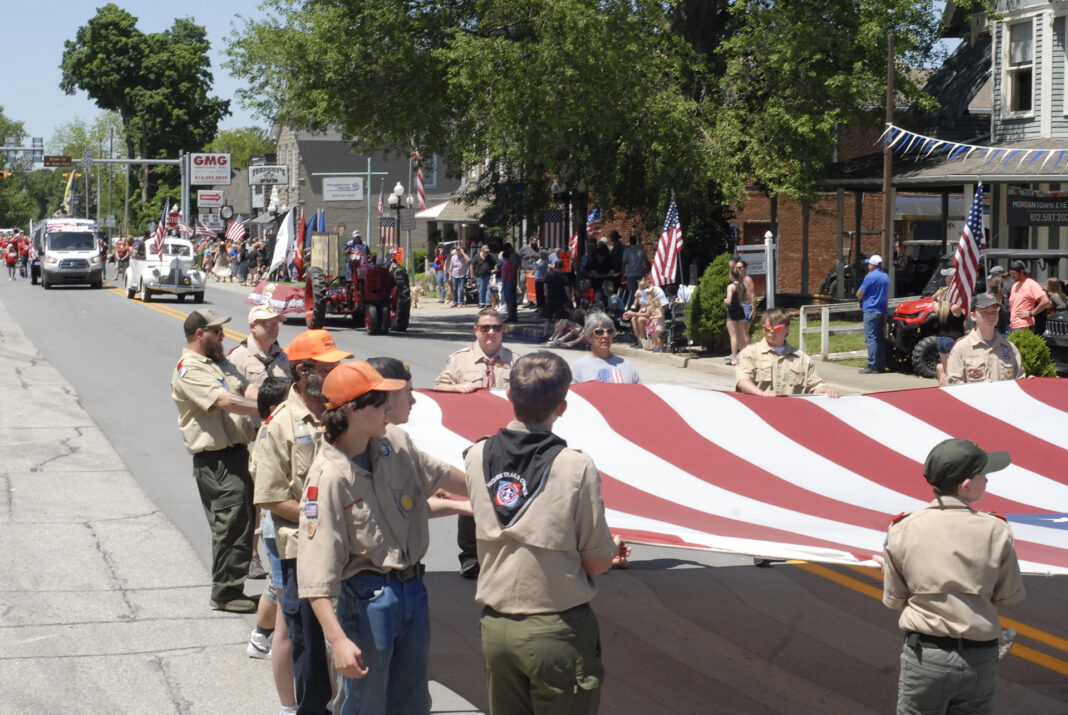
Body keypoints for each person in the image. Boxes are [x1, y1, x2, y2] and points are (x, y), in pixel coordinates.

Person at [297, 361, 470, 714]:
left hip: (412, 592)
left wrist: (492, 492)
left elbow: (439, 475)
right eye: (379, 403)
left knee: (412, 701)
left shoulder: (393, 442)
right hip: (365, 601)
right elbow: (315, 576)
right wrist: (338, 639)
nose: (388, 408)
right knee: (366, 705)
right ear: (352, 410)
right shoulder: (328, 478)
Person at [463, 352, 629, 715]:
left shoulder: (475, 455)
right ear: (562, 406)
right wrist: (610, 549)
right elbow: (598, 563)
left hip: (497, 627)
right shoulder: (575, 465)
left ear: (510, 397)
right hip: (556, 625)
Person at [881, 438, 1025, 714]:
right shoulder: (997, 530)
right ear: (966, 485)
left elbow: (894, 598)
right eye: (983, 474)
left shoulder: (903, 528)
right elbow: (1009, 595)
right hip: (979, 658)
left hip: (925, 656)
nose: (987, 481)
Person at [253, 329, 352, 715]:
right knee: (310, 648)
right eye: (328, 366)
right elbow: (272, 497)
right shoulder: (278, 424)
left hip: (348, 547)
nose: (336, 371)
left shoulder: (340, 411)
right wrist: (328, 516)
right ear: (304, 371)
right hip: (304, 550)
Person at [169, 309, 261, 612]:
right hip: (215, 460)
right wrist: (265, 406)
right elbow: (223, 401)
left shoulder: (219, 363)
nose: (223, 337)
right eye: (217, 332)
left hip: (236, 453)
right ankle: (225, 592)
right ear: (200, 334)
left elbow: (246, 388)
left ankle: (233, 585)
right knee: (231, 522)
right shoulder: (189, 369)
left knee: (243, 520)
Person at [435, 308, 514, 578]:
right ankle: (470, 555)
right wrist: (456, 389)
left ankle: (503, 552)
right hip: (470, 441)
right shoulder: (459, 360)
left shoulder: (516, 361)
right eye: (485, 328)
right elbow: (438, 390)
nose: (491, 332)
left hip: (505, 440)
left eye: (497, 328)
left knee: (508, 492)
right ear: (475, 330)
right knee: (472, 492)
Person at [246, 377, 294, 712]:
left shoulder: (271, 430)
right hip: (277, 526)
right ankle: (289, 703)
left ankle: (260, 637)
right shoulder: (272, 433)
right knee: (285, 603)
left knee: (276, 589)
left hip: (274, 526)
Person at [735, 308, 840, 398]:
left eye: (777, 328)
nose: (771, 332)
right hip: (760, 412)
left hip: (791, 413)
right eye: (767, 328)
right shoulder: (750, 353)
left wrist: (826, 391)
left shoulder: (802, 358)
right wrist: (761, 394)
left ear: (787, 328)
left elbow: (815, 386)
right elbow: (742, 381)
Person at [946, 292, 1026, 384]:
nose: (991, 316)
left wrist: (1029, 383)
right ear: (973, 316)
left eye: (994, 311)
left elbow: (1020, 380)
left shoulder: (1010, 348)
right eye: (985, 312)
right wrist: (978, 388)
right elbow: (952, 383)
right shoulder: (962, 348)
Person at [570, 311, 641, 384]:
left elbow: (639, 393)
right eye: (599, 332)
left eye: (609, 331)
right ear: (589, 337)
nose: (606, 335)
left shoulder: (627, 366)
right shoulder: (578, 367)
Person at [932, 268, 967, 386]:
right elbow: (967, 302)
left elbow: (933, 299)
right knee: (952, 372)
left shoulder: (939, 308)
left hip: (941, 339)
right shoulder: (955, 308)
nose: (946, 278)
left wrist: (937, 295)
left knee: (944, 370)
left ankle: (942, 392)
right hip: (953, 340)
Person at [857, 253, 890, 374]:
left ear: (873, 265)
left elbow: (859, 293)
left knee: (870, 338)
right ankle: (881, 364)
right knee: (880, 338)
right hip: (881, 309)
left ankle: (872, 365)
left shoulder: (870, 277)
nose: (868, 265)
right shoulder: (885, 277)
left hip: (870, 309)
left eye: (869, 263)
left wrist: (860, 300)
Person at [1007, 259, 1051, 334]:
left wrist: (1031, 313)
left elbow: (1046, 301)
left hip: (1024, 326)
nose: (1012, 276)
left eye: (1013, 273)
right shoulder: (1015, 285)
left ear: (1021, 272)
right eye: (1010, 273)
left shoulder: (1031, 284)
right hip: (1013, 325)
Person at [724, 266, 749, 365]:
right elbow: (745, 299)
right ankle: (742, 357)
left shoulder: (731, 286)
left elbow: (729, 301)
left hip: (732, 312)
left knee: (733, 336)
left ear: (732, 275)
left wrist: (725, 300)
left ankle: (734, 358)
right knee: (741, 336)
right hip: (741, 311)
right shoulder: (743, 285)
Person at [621, 234, 646, 307]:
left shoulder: (627, 251)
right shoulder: (641, 250)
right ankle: (641, 307)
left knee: (632, 293)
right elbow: (646, 263)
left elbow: (624, 264)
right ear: (636, 241)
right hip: (640, 274)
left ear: (630, 242)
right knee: (641, 292)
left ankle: (634, 307)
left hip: (630, 275)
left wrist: (623, 275)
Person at [499, 244, 518, 323]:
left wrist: (503, 286)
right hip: (513, 282)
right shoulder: (512, 264)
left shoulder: (505, 266)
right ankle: (514, 315)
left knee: (508, 300)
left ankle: (510, 316)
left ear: (503, 257)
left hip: (507, 283)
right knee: (513, 300)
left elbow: (504, 276)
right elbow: (514, 274)